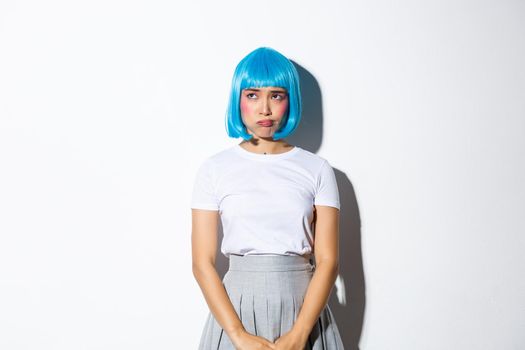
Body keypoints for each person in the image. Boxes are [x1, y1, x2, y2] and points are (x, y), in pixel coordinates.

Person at [191, 47, 344, 349]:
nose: (265, 109)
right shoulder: (214, 169)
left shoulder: (317, 169)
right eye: (252, 95)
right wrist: (237, 334)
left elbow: (328, 261)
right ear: (238, 99)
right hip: (236, 310)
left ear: (290, 100)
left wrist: (300, 334)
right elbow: (202, 263)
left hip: (304, 307)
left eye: (276, 95)